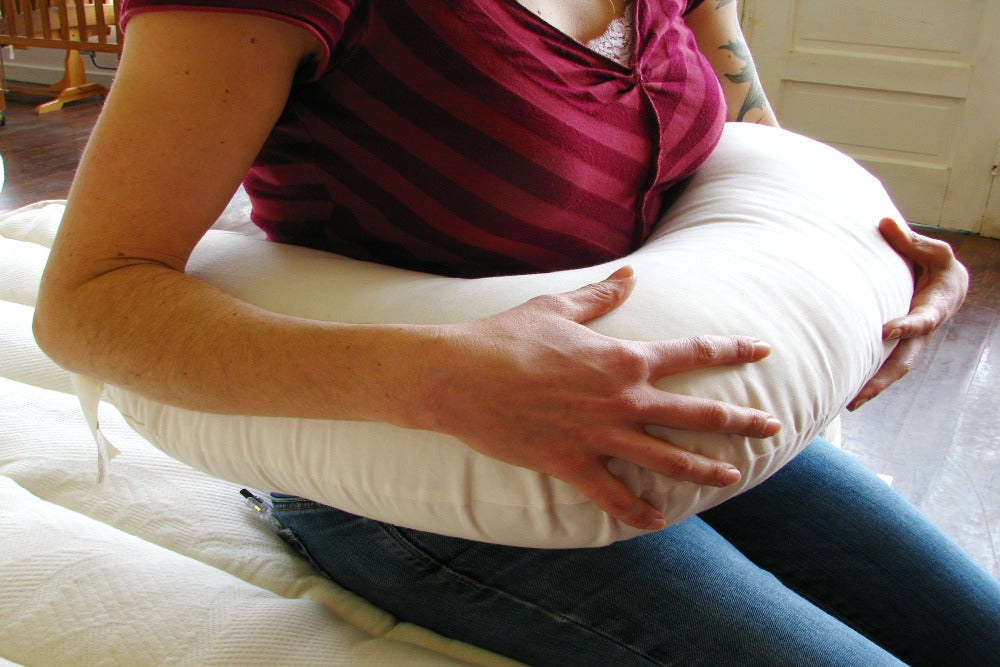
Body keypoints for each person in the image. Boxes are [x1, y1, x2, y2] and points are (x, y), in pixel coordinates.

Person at [32, 0, 996, 664]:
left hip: (655, 409)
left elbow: (748, 143)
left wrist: (868, 264)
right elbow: (88, 300)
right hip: (420, 466)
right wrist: (440, 377)